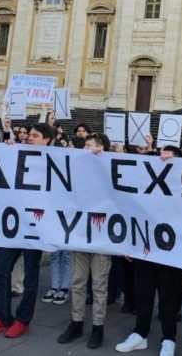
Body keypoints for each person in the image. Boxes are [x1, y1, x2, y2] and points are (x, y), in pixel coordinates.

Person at [0, 123, 55, 339]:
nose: (29, 137)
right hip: (13, 224)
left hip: (35, 226)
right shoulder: (16, 153)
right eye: (28, 134)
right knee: (2, 270)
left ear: (46, 140)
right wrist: (7, 149)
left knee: (31, 277)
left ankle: (22, 320)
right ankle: (2, 316)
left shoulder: (55, 160)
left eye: (35, 135)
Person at [114, 144, 182, 356]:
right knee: (143, 295)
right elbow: (130, 209)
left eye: (168, 158)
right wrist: (129, 243)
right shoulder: (146, 184)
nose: (162, 161)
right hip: (146, 250)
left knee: (169, 298)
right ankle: (140, 334)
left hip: (173, 254)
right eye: (160, 157)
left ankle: (168, 339)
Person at [60, 132, 113, 349]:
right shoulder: (78, 168)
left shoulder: (110, 167)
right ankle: (76, 322)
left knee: (99, 286)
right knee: (78, 282)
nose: (85, 149)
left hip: (101, 237)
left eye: (89, 145)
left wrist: (104, 158)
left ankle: (98, 327)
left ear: (100, 147)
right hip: (80, 234)